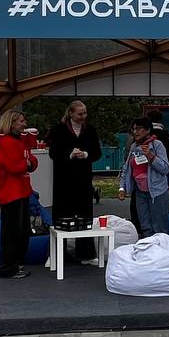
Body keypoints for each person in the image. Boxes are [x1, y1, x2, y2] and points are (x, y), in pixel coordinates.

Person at [47, 100, 103, 263]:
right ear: (71, 113)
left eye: (85, 113)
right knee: (62, 214)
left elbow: (97, 152)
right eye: (80, 114)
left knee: (84, 214)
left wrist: (86, 155)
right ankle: (57, 255)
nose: (83, 116)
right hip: (63, 179)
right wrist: (69, 155)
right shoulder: (59, 130)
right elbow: (53, 153)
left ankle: (86, 253)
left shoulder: (90, 130)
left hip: (83, 179)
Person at [0, 109, 39, 279]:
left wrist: (27, 164)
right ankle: (8, 267)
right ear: (12, 123)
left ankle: (16, 262)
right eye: (21, 121)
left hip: (21, 190)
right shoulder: (7, 143)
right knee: (12, 232)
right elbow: (15, 166)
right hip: (10, 192)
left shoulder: (19, 141)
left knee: (22, 230)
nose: (24, 124)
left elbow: (32, 162)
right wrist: (26, 164)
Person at [119, 117, 169, 236]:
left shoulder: (157, 145)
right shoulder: (134, 146)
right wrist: (122, 187)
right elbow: (127, 168)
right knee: (145, 227)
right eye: (133, 129)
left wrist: (150, 156)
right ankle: (148, 247)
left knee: (159, 228)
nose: (135, 132)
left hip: (157, 192)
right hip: (140, 192)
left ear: (147, 130)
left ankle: (160, 247)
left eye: (138, 129)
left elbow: (165, 169)